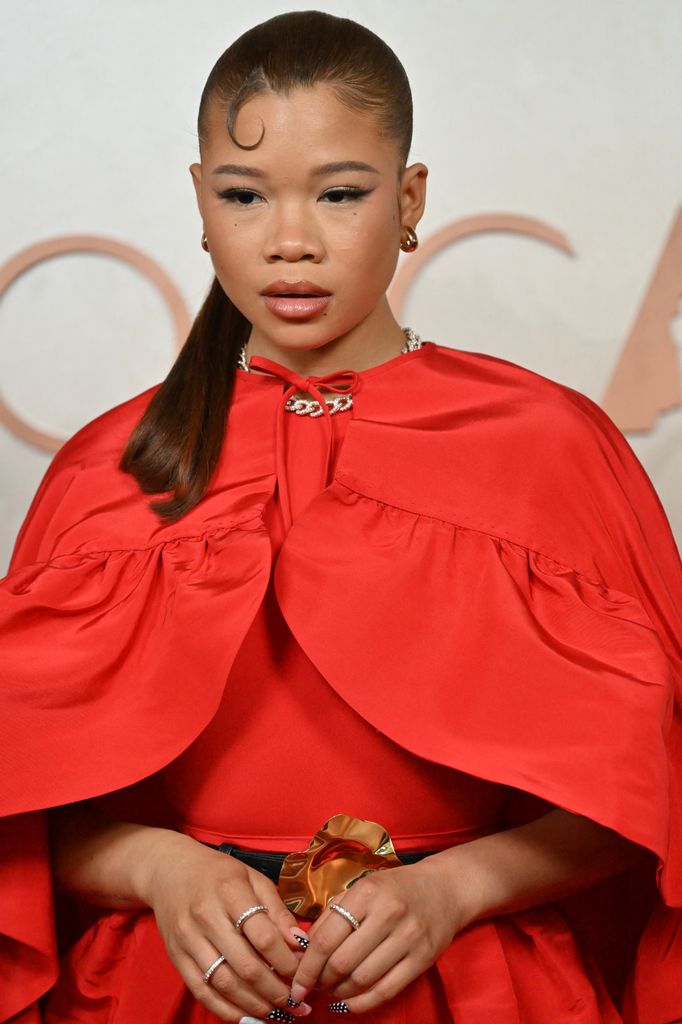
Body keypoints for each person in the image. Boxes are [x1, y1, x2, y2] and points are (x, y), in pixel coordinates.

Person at [1, 10, 681, 1024]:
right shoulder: (107, 466)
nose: (290, 241)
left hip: (480, 994)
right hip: (162, 994)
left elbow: (654, 793)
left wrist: (457, 886)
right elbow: (24, 814)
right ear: (199, 202)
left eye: (340, 193)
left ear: (409, 199)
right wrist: (158, 869)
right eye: (244, 194)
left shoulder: (554, 446)